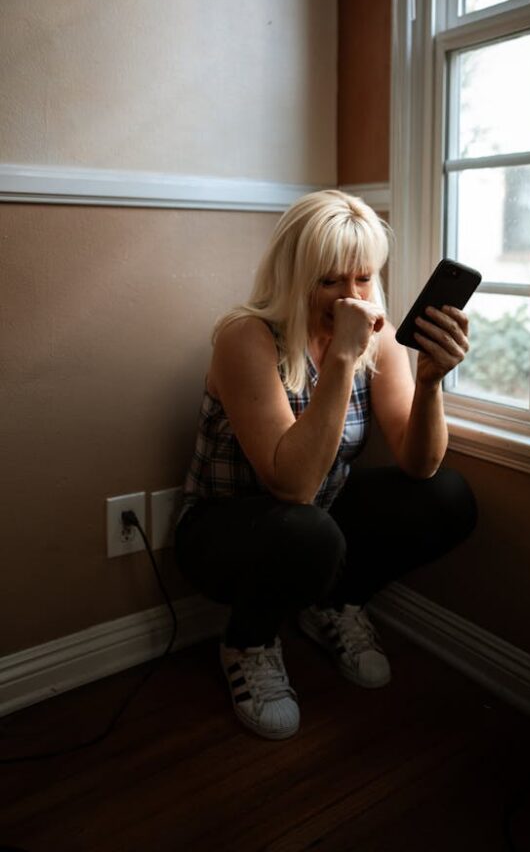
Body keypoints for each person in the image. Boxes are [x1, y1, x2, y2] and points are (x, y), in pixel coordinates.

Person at [175, 189, 477, 741]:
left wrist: (430, 380)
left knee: (448, 497)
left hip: (317, 514)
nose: (351, 297)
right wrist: (341, 355)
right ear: (294, 277)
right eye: (330, 280)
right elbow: (291, 484)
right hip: (225, 528)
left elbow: (420, 465)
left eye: (363, 279)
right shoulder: (246, 336)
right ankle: (248, 641)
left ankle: (334, 605)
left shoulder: (377, 341)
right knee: (308, 531)